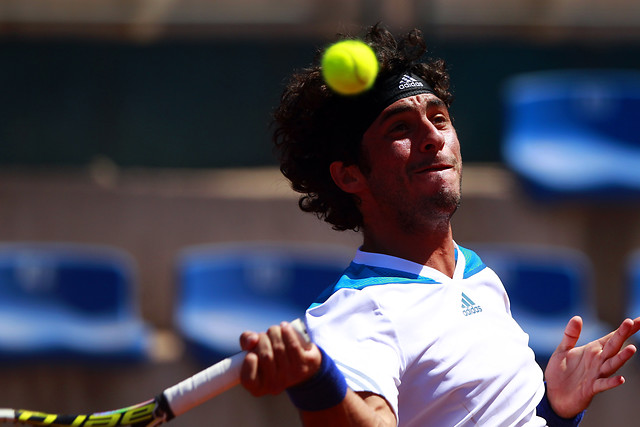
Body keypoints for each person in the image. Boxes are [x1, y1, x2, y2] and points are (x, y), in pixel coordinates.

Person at [238, 23, 640, 426]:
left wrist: (555, 408)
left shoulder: (476, 272)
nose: (432, 136)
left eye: (440, 118)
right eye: (400, 128)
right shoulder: (357, 311)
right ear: (350, 176)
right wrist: (317, 383)